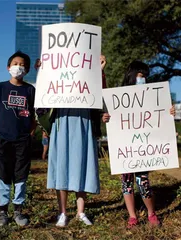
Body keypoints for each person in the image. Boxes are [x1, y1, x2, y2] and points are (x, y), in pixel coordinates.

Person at [103, 60, 175, 229]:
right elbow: (112, 115)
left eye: (145, 77)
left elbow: (160, 115)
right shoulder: (119, 96)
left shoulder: (151, 96)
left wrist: (170, 112)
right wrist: (105, 118)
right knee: (126, 181)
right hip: (126, 147)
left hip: (142, 147)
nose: (143, 79)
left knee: (143, 181)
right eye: (141, 75)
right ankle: (132, 216)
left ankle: (151, 213)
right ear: (132, 75)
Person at [46, 55, 108, 227]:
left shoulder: (88, 76)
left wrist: (99, 70)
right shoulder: (58, 73)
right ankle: (62, 213)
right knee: (62, 166)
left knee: (83, 164)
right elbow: (45, 92)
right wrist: (42, 70)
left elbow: (100, 93)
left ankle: (81, 212)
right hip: (62, 119)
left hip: (84, 119)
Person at [0, 51, 36, 227]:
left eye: (22, 64)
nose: (18, 67)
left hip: (23, 141)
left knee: (21, 176)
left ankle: (18, 210)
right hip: (3, 141)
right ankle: (2, 212)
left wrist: (30, 134)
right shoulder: (0, 88)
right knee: (3, 175)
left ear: (28, 69)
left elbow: (35, 117)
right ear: (8, 67)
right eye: (15, 63)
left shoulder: (30, 90)